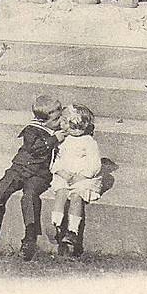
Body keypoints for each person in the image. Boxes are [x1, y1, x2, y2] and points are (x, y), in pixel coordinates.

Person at [0, 96, 64, 261]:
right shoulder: (32, 130)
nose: (60, 120)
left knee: (30, 196)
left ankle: (30, 238)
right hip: (19, 169)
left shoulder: (60, 130)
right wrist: (54, 140)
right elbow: (34, 148)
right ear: (43, 119)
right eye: (56, 118)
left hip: (39, 174)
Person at [49, 104, 102, 257]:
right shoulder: (63, 139)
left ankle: (72, 231)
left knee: (76, 197)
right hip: (65, 176)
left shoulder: (89, 142)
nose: (61, 124)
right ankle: (56, 225)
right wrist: (61, 172)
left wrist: (83, 175)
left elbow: (95, 164)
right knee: (61, 193)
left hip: (82, 178)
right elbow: (56, 160)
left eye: (65, 121)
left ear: (77, 126)